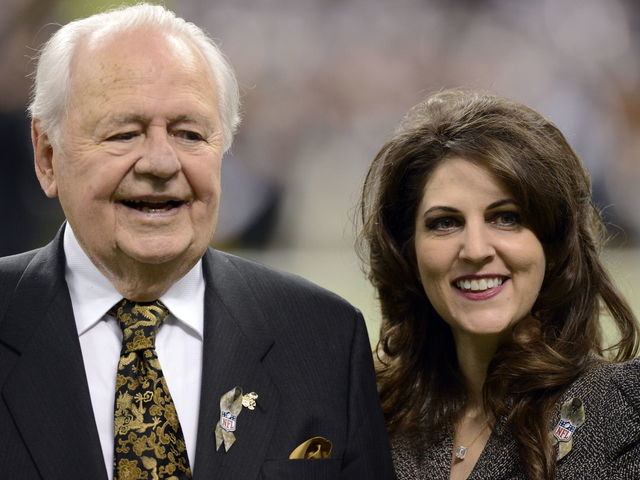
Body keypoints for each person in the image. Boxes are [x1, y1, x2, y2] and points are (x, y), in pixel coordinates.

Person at [0, 4, 395, 480]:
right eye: (124, 134)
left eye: (189, 134)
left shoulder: (324, 337)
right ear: (47, 156)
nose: (161, 163)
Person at [358, 89, 640, 480]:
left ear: (553, 245)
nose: (475, 250)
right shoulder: (368, 411)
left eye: (506, 218)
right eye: (445, 223)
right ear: (408, 253)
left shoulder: (625, 409)